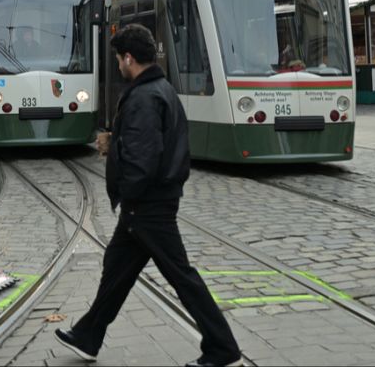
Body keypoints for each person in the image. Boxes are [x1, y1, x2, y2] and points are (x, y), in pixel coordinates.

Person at [55, 24, 241, 367]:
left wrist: (128, 192)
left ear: (129, 58)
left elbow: (144, 157)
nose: (118, 65)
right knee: (116, 269)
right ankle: (88, 335)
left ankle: (223, 348)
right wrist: (117, 142)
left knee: (181, 277)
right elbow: (147, 143)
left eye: (118, 59)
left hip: (148, 206)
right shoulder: (159, 88)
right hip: (146, 206)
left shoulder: (143, 96)